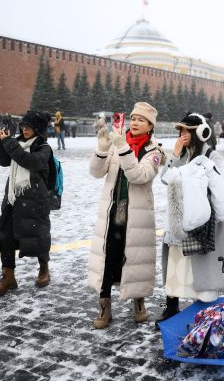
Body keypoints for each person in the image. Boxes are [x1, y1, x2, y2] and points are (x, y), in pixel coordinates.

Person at [156, 112, 224, 327]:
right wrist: (173, 154)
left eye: (185, 131)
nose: (182, 135)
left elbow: (221, 188)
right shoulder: (180, 153)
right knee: (175, 262)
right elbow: (165, 180)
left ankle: (203, 308)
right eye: (180, 131)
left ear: (198, 132)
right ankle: (171, 306)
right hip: (179, 218)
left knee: (201, 267)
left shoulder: (211, 155)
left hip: (204, 220)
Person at [88, 102, 164, 328]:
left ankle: (139, 301)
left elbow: (139, 176)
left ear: (151, 126)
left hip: (137, 215)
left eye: (142, 120)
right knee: (108, 258)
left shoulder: (155, 151)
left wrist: (122, 148)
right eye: (134, 118)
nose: (136, 122)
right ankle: (104, 305)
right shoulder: (116, 143)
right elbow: (95, 172)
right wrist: (102, 149)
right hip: (112, 212)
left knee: (135, 259)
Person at [0, 110, 53, 297]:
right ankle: (8, 276)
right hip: (14, 197)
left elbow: (29, 161)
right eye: (23, 126)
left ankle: (44, 269)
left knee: (38, 235)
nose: (24, 130)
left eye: (29, 127)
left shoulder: (44, 148)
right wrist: (1, 139)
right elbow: (2, 160)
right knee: (6, 235)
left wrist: (8, 143)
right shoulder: (16, 143)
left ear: (38, 129)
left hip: (36, 199)